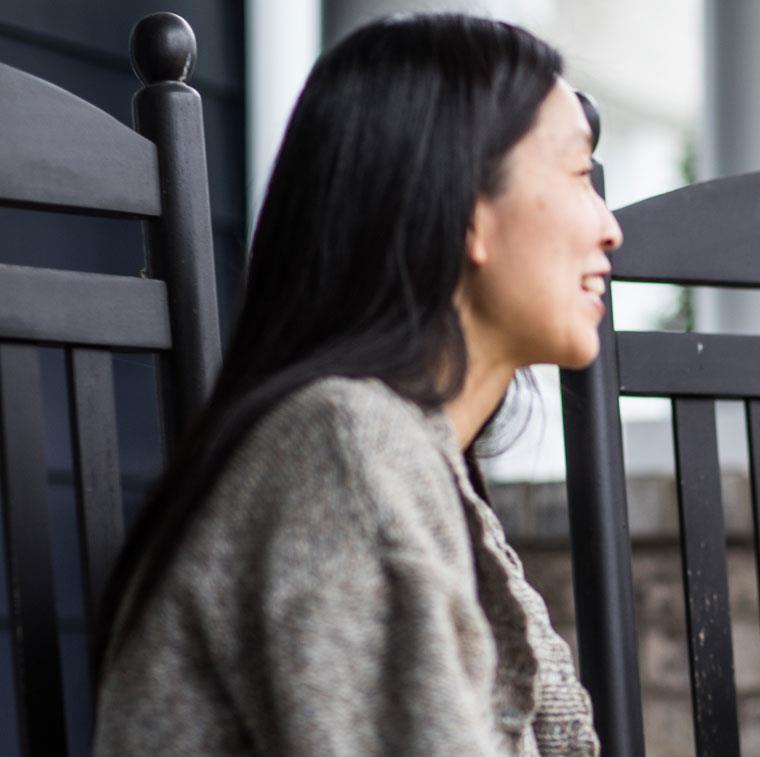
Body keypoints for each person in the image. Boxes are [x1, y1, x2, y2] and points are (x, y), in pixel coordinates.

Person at [92, 14, 620, 755]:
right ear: (467, 207)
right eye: (579, 176)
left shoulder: (406, 458)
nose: (610, 227)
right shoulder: (343, 459)